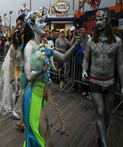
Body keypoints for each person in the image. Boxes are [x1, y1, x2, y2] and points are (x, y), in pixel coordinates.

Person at [22, 13, 81, 147]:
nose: (43, 24)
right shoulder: (29, 47)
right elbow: (28, 76)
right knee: (46, 138)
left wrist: (75, 44)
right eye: (39, 22)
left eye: (43, 21)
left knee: (43, 138)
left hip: (41, 96)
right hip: (33, 98)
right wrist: (42, 70)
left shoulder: (45, 45)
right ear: (32, 26)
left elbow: (64, 57)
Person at [82, 10, 123, 147]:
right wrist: (84, 70)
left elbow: (120, 64)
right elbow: (86, 59)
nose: (98, 22)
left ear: (107, 21)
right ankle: (104, 144)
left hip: (110, 81)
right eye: (96, 20)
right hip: (95, 80)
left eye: (101, 20)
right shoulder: (91, 42)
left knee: (107, 114)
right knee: (100, 111)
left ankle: (101, 138)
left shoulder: (117, 42)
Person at [0, 30, 23, 120]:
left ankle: (13, 106)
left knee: (18, 92)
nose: (17, 38)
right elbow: (11, 62)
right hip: (15, 72)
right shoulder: (13, 47)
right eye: (15, 36)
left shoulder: (23, 46)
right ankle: (12, 109)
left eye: (19, 36)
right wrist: (12, 76)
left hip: (22, 72)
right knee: (15, 91)